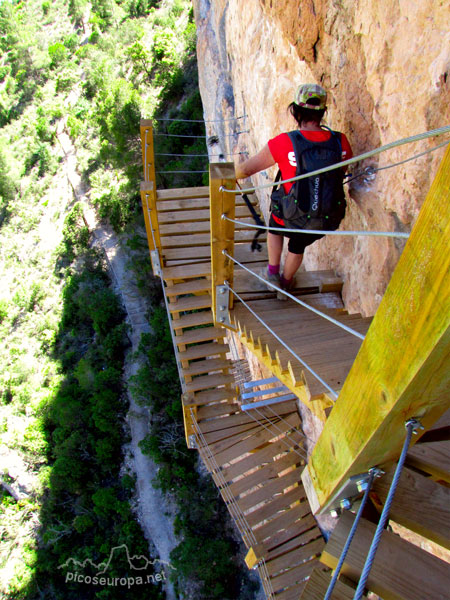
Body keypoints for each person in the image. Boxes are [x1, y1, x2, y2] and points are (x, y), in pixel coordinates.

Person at [235, 84, 352, 298]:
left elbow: (245, 170)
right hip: (325, 216)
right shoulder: (340, 141)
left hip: (290, 214)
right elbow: (341, 172)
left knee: (275, 225)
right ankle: (286, 283)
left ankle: (272, 273)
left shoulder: (285, 142)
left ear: (296, 112)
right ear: (323, 112)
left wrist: (233, 173)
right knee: (298, 244)